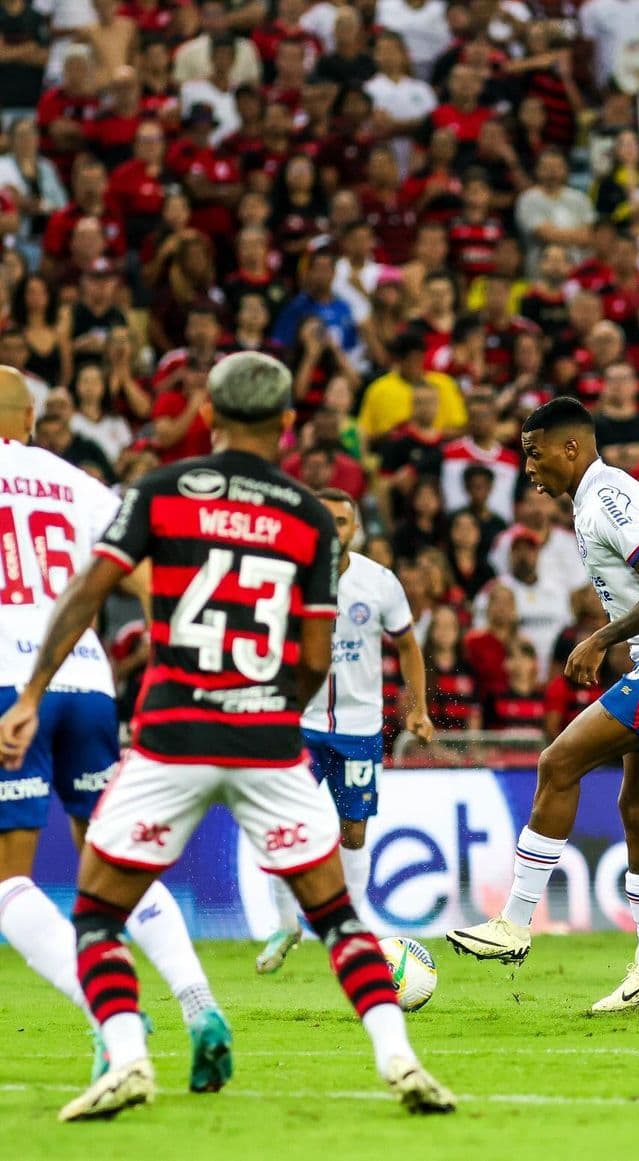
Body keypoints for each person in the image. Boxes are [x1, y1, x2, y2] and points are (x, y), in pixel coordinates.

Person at [0, 352, 454, 1119]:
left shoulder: (161, 491)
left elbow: (91, 588)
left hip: (173, 728)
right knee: (337, 914)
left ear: (206, 414)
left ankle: (130, 1056)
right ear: (285, 424)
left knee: (97, 911)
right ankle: (398, 1057)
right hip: (267, 737)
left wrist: (34, 689)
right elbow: (314, 655)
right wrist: (275, 710)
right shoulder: (311, 517)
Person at [447, 396, 639, 1012]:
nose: (528, 468)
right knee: (638, 806)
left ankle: (514, 924)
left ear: (570, 448)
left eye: (534, 452)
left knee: (558, 763)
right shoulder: (609, 494)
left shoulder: (608, 498)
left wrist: (606, 638)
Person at [0, 366, 228, 1092]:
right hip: (90, 682)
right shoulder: (77, 483)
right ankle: (199, 1004)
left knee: (9, 881)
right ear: (33, 421)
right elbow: (151, 582)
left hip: (12, 686)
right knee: (114, 860)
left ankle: (109, 1016)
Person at [256, 488, 434, 974]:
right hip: (297, 723)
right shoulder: (284, 576)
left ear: (354, 529)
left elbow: (409, 647)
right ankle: (285, 921)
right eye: (323, 519)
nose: (333, 530)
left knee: (353, 830)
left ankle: (351, 926)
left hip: (357, 727)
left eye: (341, 521)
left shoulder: (379, 582)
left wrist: (417, 708)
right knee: (275, 818)